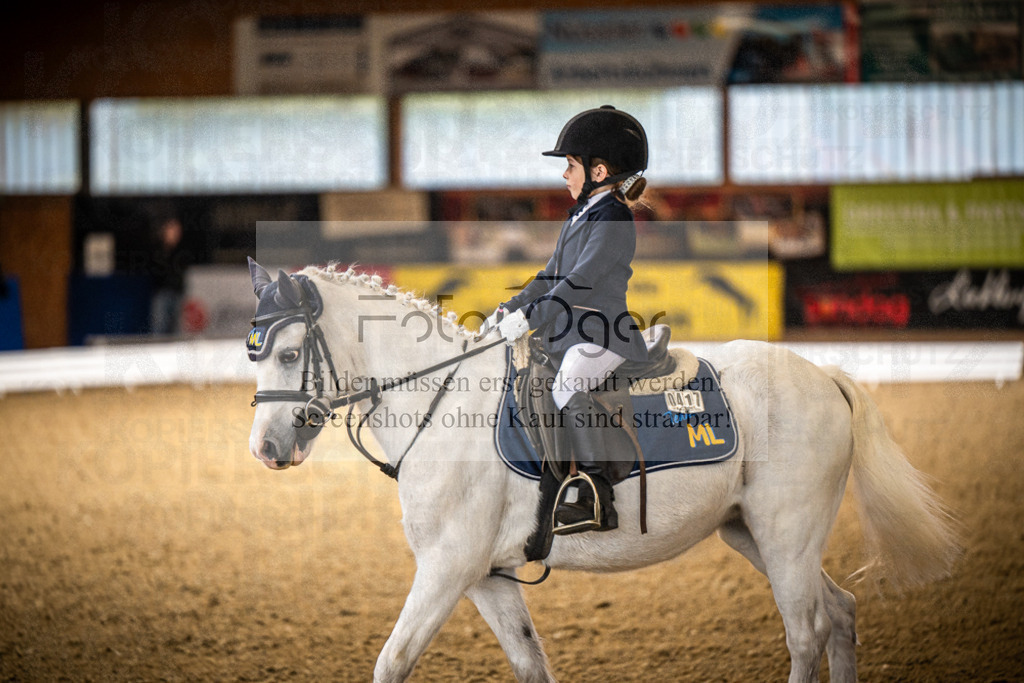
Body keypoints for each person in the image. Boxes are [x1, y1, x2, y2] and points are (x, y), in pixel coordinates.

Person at [481, 105, 650, 534]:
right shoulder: (580, 214)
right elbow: (550, 276)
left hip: (604, 333)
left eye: (571, 165)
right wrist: (509, 309)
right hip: (572, 333)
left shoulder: (614, 217)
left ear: (598, 171)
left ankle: (595, 492)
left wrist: (531, 318)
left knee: (568, 384)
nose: (564, 174)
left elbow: (581, 281)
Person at [149, 214, 189, 337]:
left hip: (177, 292)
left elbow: (182, 270)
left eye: (177, 230)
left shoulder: (182, 250)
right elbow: (156, 269)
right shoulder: (158, 249)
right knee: (160, 325)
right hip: (162, 292)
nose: (175, 233)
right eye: (172, 229)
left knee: (176, 327)